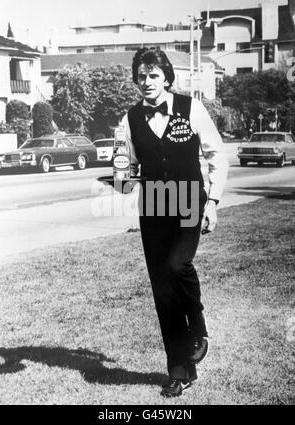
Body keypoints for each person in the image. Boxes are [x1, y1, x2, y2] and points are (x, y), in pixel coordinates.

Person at [120, 47, 228, 398]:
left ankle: (198, 326)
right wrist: (122, 172)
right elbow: (127, 169)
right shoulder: (130, 118)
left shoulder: (191, 108)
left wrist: (212, 202)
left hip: (188, 202)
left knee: (178, 265)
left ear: (166, 77)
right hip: (152, 208)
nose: (147, 82)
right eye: (141, 76)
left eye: (153, 75)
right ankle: (180, 371)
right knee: (163, 290)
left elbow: (217, 155)